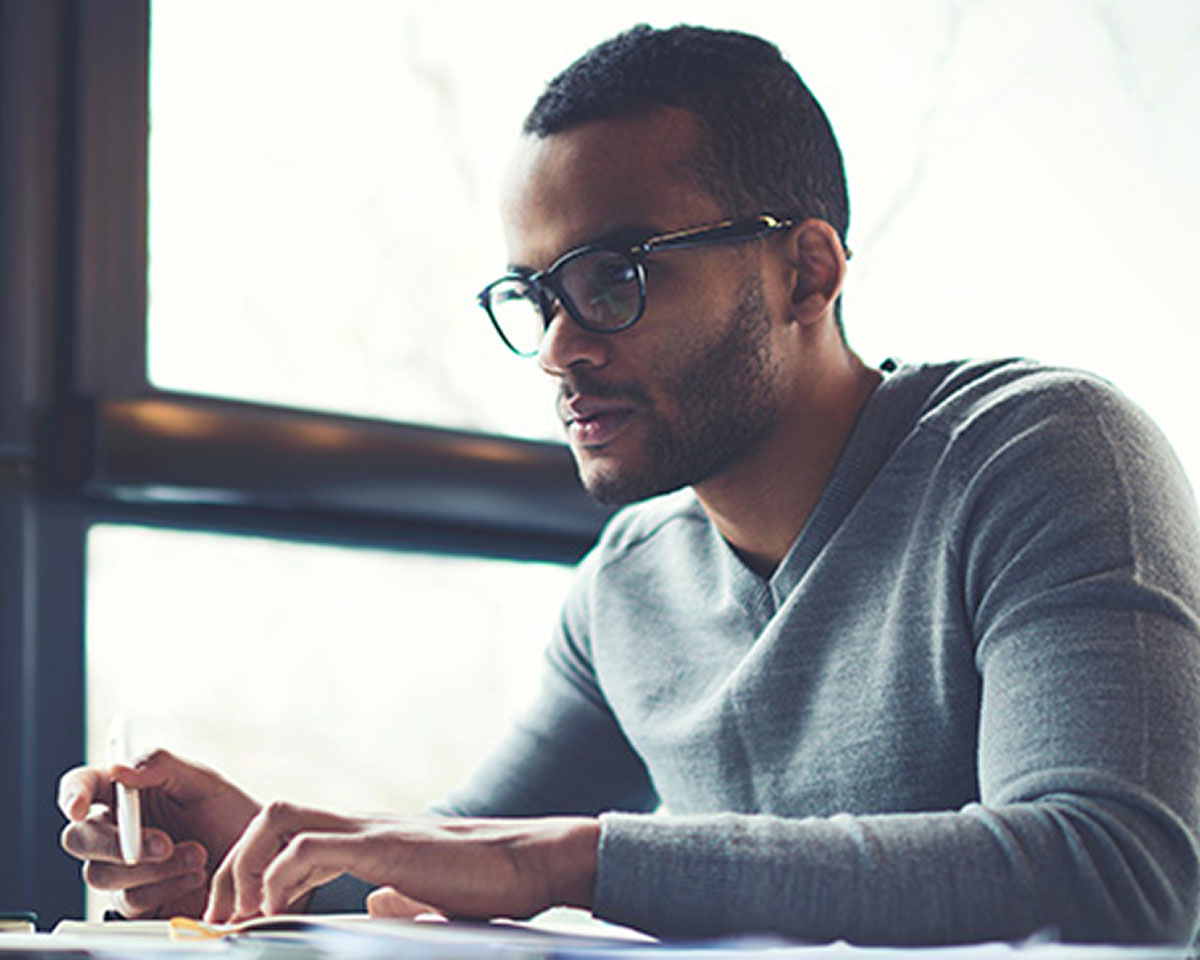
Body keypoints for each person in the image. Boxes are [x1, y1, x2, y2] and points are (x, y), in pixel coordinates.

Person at [58, 24, 1200, 946]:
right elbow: (459, 866)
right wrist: (256, 850)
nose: (559, 348)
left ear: (807, 271)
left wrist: (573, 858)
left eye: (618, 276)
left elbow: (1115, 867)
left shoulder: (1039, 453)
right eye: (536, 296)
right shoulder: (631, 588)